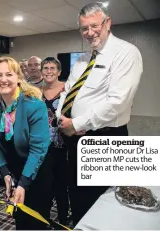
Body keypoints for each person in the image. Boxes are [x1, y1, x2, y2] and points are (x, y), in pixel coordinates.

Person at [56, 2, 143, 225]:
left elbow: (117, 102)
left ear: (107, 23)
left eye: (94, 26)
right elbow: (67, 92)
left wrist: (76, 123)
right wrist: (61, 117)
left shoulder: (125, 53)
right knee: (77, 195)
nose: (89, 32)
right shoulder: (83, 59)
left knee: (104, 202)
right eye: (84, 28)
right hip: (75, 139)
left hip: (105, 138)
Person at [0, 56, 53, 230]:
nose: (3, 80)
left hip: (37, 172)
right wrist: (6, 173)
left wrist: (23, 184)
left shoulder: (34, 105)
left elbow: (38, 149)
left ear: (18, 77)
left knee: (36, 222)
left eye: (8, 74)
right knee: (20, 221)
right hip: (14, 172)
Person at [41, 57, 69, 225]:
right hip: (42, 147)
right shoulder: (36, 91)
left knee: (61, 186)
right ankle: (43, 218)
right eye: (46, 68)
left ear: (59, 72)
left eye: (53, 68)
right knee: (45, 185)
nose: (49, 71)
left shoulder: (67, 90)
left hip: (63, 145)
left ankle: (64, 220)